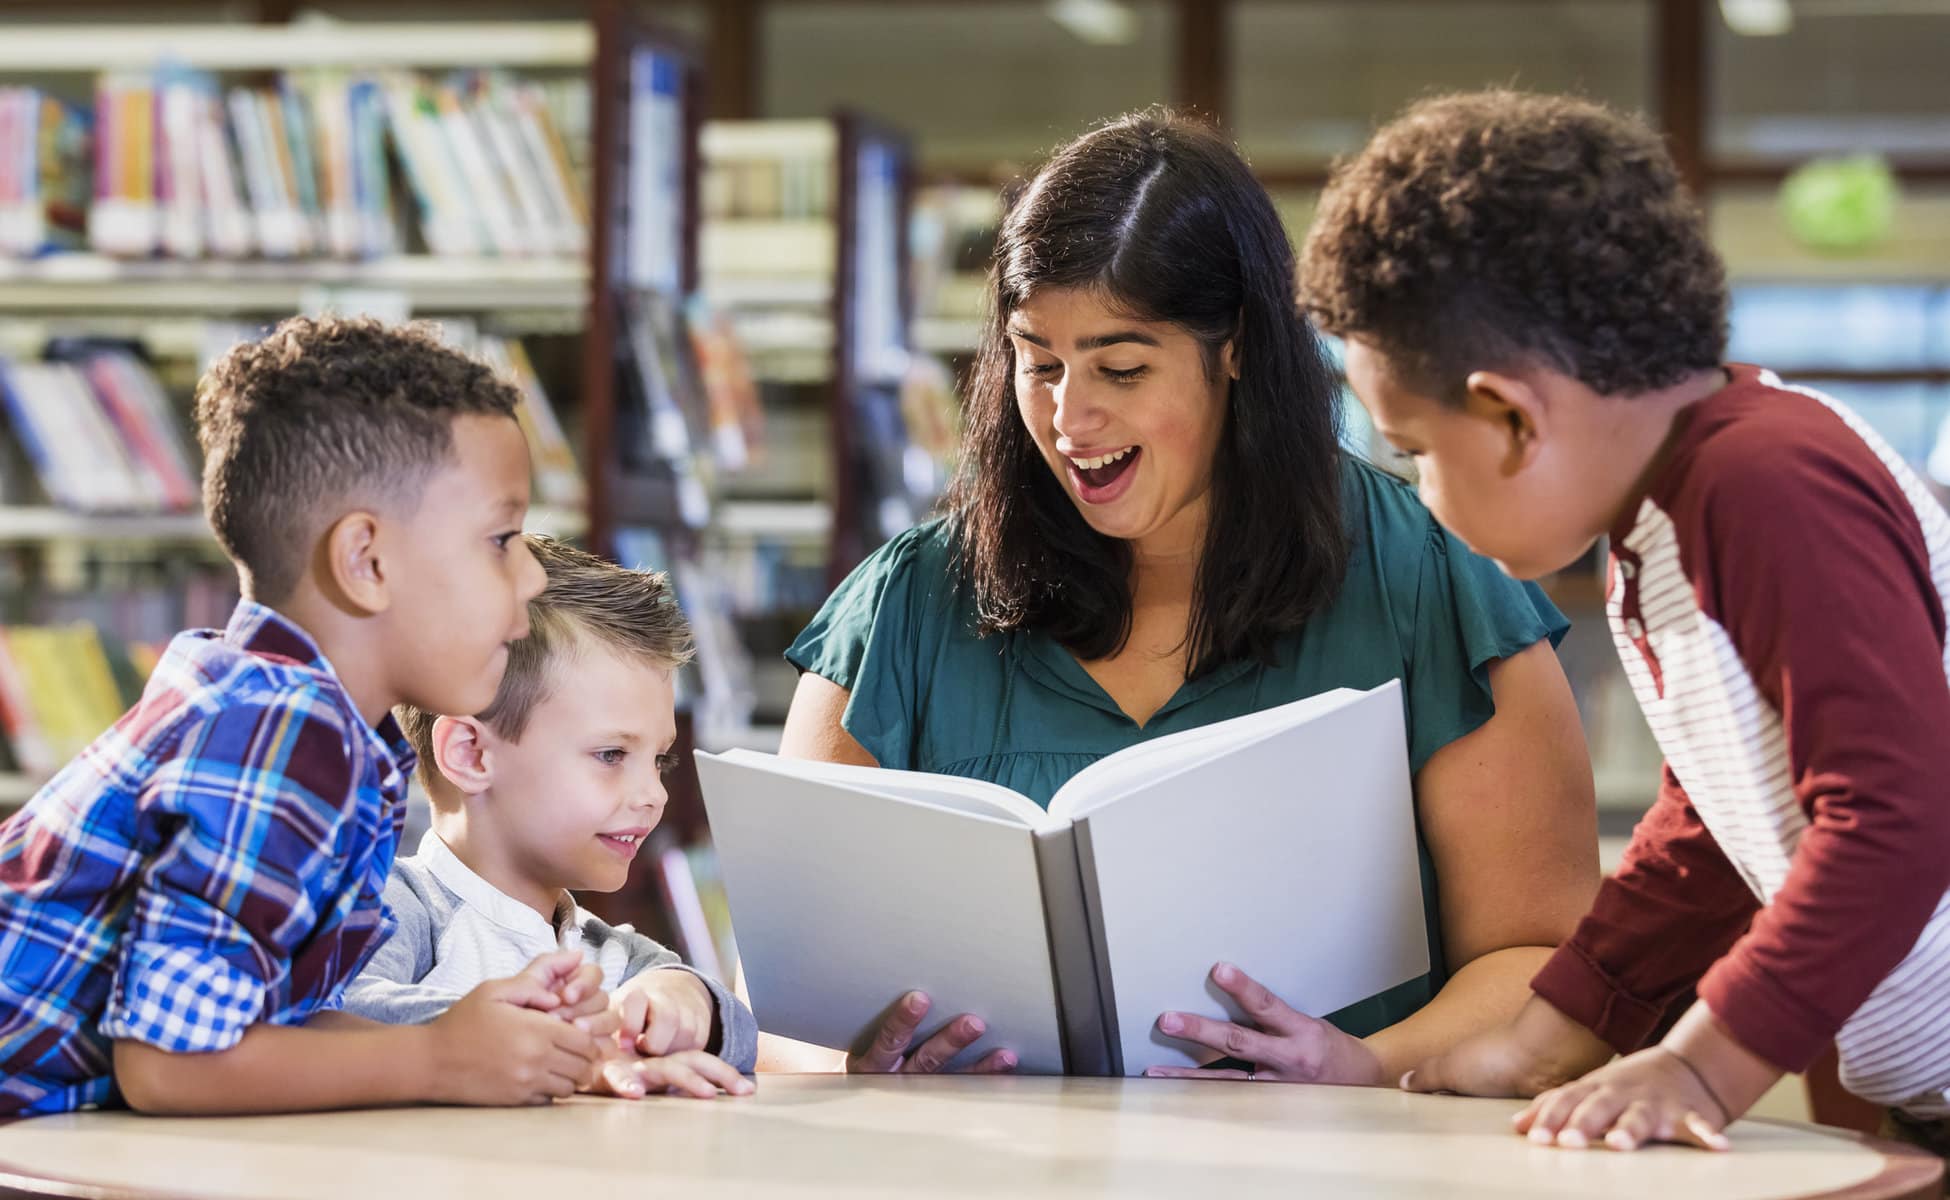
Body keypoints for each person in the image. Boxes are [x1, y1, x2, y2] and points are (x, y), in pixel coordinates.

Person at [774, 109, 1600, 1082]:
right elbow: (784, 1006)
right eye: (1038, 363)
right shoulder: (907, 603)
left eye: (1122, 368)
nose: (1069, 418)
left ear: (1238, 346)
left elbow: (1552, 970)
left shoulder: (1427, 581)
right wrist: (853, 1064)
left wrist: (1365, 1066)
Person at [1300, 89, 1950, 1153]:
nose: (1418, 491)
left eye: (1414, 449)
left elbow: (1896, 816)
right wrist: (1545, 1039)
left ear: (1512, 415)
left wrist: (1701, 1065)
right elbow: (1713, 833)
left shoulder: (1766, 483)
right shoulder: (1665, 523)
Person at [0, 317, 617, 1115]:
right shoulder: (278, 735)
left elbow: (252, 1023)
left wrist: (483, 1035)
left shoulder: (299, 720)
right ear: (366, 562)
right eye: (501, 538)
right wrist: (437, 1060)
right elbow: (168, 1065)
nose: (532, 576)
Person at [346, 536, 757, 1100]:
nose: (654, 795)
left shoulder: (614, 954)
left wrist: (684, 1001)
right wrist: (566, 1045)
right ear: (471, 754)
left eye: (659, 760)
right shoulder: (399, 908)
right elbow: (341, 1014)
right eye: (612, 755)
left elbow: (737, 1029)